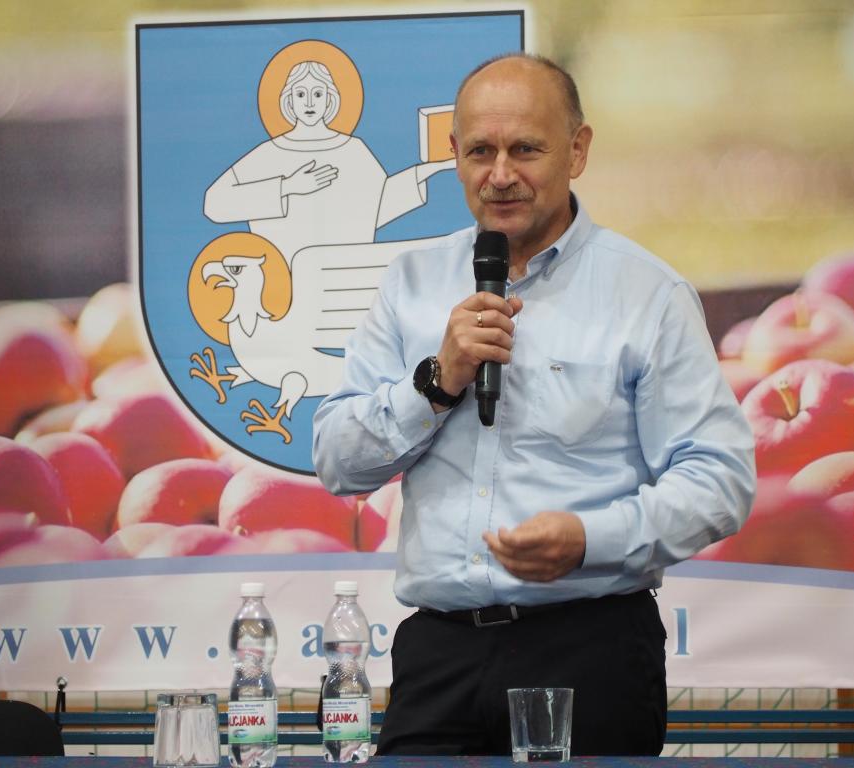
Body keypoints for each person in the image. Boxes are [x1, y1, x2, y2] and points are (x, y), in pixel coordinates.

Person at [312, 53, 756, 756]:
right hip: (438, 654)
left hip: (591, 647)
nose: (500, 175)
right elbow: (338, 460)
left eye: (525, 149)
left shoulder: (646, 293)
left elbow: (719, 480)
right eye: (480, 151)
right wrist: (438, 381)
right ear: (454, 154)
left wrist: (590, 540)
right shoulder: (411, 282)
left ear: (577, 151)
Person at [204, 59, 453, 262]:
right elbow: (214, 204)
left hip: (347, 272)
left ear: (329, 98)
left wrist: (425, 171)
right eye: (300, 94)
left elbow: (377, 206)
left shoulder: (354, 150)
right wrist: (287, 187)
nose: (309, 102)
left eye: (317, 93)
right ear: (288, 100)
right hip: (286, 281)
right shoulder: (267, 154)